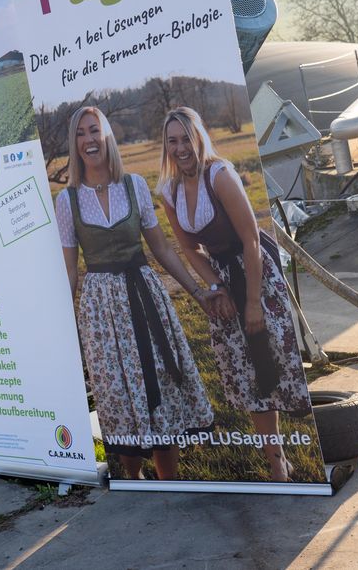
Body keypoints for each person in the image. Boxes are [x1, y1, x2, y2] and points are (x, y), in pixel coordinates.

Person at [55, 106, 216, 481]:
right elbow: (69, 271)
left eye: (95, 130)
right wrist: (65, 329)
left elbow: (160, 248)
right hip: (100, 308)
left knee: (158, 379)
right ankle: (134, 478)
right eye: (81, 133)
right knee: (116, 391)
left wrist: (197, 291)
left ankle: (168, 478)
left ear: (107, 136)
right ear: (74, 143)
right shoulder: (68, 201)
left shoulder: (135, 186)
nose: (89, 139)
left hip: (144, 296)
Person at [156, 106, 311, 482]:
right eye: (172, 141)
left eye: (186, 138)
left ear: (200, 136)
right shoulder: (170, 190)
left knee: (271, 357)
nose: (181, 148)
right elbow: (190, 248)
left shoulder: (220, 175)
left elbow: (251, 238)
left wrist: (253, 301)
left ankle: (295, 448)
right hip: (223, 274)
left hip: (254, 269)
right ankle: (278, 463)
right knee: (248, 371)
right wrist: (216, 287)